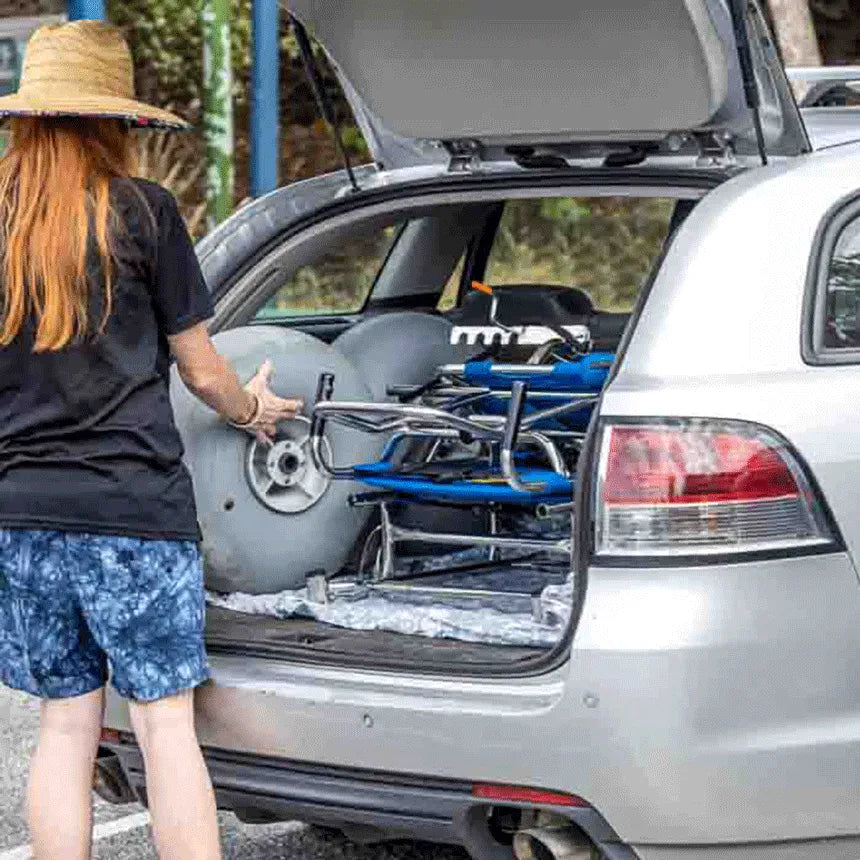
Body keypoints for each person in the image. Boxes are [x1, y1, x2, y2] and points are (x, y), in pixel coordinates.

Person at [0, 21, 302, 860]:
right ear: (113, 121)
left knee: (66, 727)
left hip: (22, 515)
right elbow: (204, 372)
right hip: (132, 512)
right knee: (166, 727)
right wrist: (253, 412)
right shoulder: (142, 212)